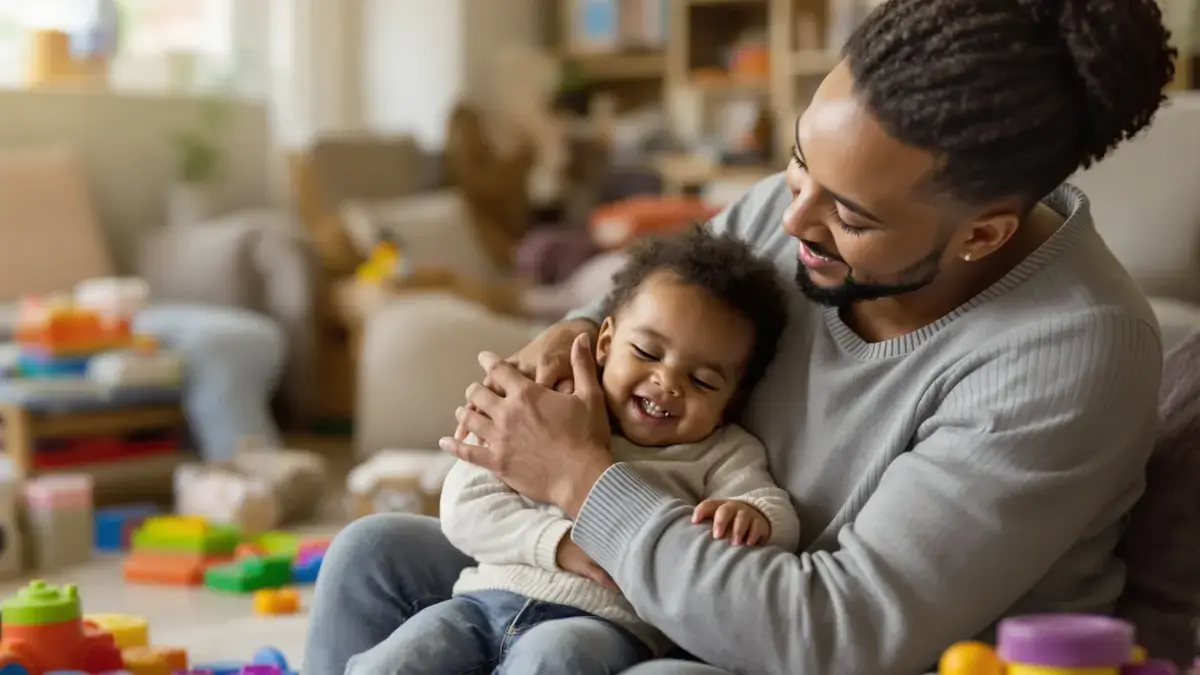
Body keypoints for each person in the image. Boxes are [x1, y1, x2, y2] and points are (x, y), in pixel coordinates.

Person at [303, 0, 1177, 672]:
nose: (789, 222)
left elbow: (838, 633)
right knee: (375, 553)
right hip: (666, 587)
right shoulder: (797, 213)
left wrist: (578, 481)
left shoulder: (1070, 351)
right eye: (798, 165)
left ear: (981, 235)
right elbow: (645, 303)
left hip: (821, 648)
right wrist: (569, 338)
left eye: (849, 215)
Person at [354, 228, 800, 674]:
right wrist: (559, 544)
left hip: (603, 625)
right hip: (482, 601)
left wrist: (752, 515)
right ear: (605, 343)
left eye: (702, 380)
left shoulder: (721, 452)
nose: (666, 382)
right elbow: (464, 503)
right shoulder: (552, 404)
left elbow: (775, 514)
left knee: (554, 656)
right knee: (401, 656)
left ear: (733, 399)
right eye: (647, 352)